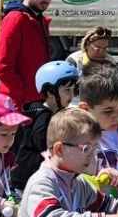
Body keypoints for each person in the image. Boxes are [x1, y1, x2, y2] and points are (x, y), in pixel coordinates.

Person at [0, 0, 57, 111]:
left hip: (35, 102)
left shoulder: (39, 21)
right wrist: (24, 94)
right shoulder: (15, 20)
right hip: (18, 106)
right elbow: (3, 68)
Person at [11, 59, 79, 191]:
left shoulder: (44, 111)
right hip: (28, 181)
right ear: (50, 92)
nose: (71, 95)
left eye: (73, 90)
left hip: (35, 177)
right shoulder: (42, 118)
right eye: (67, 90)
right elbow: (45, 145)